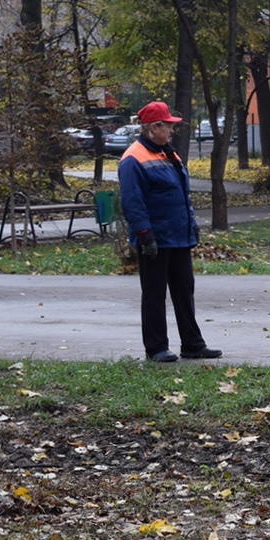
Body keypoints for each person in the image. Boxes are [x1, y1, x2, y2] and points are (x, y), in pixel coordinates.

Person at [118, 101, 221, 363]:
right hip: (154, 238)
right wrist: (145, 234)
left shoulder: (167, 153)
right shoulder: (133, 158)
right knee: (154, 293)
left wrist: (191, 227)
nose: (172, 130)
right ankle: (156, 347)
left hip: (177, 235)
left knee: (184, 289)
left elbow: (180, 196)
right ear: (155, 128)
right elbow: (132, 202)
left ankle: (192, 344)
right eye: (168, 125)